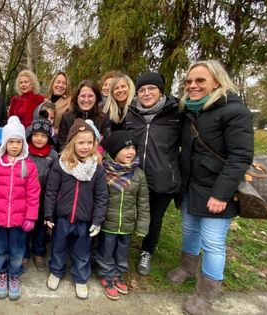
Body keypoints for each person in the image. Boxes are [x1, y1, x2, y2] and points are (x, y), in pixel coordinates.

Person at [169, 60, 253, 315]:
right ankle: (187, 267)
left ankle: (207, 294)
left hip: (216, 188)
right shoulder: (189, 110)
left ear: (216, 81)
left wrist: (221, 194)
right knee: (189, 229)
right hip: (190, 185)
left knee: (214, 241)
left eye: (200, 81)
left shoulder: (234, 111)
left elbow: (241, 156)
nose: (192, 85)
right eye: (189, 81)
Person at [124, 72, 182, 276]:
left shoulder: (176, 113)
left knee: (155, 218)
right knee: (130, 213)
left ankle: (146, 251)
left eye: (151, 89)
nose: (146, 93)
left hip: (163, 177)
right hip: (134, 175)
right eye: (142, 90)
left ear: (161, 91)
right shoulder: (130, 113)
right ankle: (123, 248)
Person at [44, 119, 108, 300]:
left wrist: (97, 220)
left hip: (85, 219)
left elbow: (102, 196)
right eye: (81, 142)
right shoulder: (61, 164)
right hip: (63, 218)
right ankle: (56, 271)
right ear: (73, 142)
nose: (85, 146)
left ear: (95, 143)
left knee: (82, 251)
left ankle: (80, 278)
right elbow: (51, 191)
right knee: (58, 247)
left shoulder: (97, 168)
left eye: (89, 142)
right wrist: (48, 213)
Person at [0, 116, 40, 300]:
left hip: (19, 222)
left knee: (17, 251)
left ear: (23, 144)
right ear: (5, 143)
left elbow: (33, 193)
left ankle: (14, 276)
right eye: (11, 142)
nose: (14, 146)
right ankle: (1, 274)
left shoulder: (29, 166)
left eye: (18, 142)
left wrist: (30, 217)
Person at [96, 130, 150, 300]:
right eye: (126, 148)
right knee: (106, 250)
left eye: (133, 148)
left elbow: (143, 203)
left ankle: (118, 274)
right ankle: (106, 274)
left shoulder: (138, 175)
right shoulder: (103, 172)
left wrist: (142, 225)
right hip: (107, 223)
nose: (131, 152)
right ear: (113, 150)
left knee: (122, 250)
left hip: (127, 224)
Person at [23, 118, 58, 272]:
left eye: (43, 136)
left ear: (48, 138)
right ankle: (24, 253)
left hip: (44, 198)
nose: (39, 138)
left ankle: (39, 252)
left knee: (40, 228)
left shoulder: (53, 155)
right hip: (25, 198)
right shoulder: (24, 153)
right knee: (24, 228)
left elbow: (55, 178)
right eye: (36, 135)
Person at [58, 80, 111, 149]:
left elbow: (106, 144)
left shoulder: (103, 118)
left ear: (96, 98)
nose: (86, 100)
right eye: (82, 96)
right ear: (77, 98)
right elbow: (62, 144)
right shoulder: (67, 118)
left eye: (90, 96)